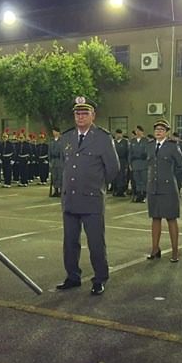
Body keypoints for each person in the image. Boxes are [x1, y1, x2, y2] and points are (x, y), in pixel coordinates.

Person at [56, 97, 120, 296]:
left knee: (95, 242)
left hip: (92, 198)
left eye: (85, 113)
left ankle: (99, 278)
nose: (81, 117)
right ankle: (72, 276)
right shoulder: (67, 137)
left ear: (93, 115)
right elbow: (64, 165)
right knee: (70, 242)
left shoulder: (102, 137)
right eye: (77, 113)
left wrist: (97, 186)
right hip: (70, 199)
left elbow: (113, 168)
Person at [145, 118, 182, 262]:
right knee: (155, 219)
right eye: (156, 130)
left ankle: (175, 252)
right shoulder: (149, 145)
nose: (158, 132)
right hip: (153, 187)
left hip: (168, 188)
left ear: (167, 133)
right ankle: (155, 249)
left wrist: (171, 177)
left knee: (171, 219)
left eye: (162, 130)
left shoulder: (172, 146)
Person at [128, 125, 148, 202]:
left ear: (142, 132)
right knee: (137, 180)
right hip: (135, 164)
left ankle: (144, 195)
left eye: (138, 131)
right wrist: (130, 163)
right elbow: (130, 153)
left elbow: (146, 153)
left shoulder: (145, 141)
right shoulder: (132, 141)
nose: (137, 132)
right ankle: (138, 195)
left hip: (143, 164)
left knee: (144, 180)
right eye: (136, 131)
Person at [112, 129, 129, 197]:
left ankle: (121, 191)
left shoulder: (125, 142)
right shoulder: (113, 142)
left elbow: (128, 152)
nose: (118, 135)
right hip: (115, 161)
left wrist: (127, 162)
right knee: (115, 176)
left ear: (121, 134)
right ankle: (115, 190)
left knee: (122, 176)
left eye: (119, 134)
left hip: (123, 161)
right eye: (116, 134)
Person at [48, 127, 62, 197]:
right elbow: (49, 152)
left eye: (55, 132)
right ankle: (56, 190)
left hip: (59, 160)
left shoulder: (62, 141)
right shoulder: (51, 141)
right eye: (53, 132)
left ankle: (61, 191)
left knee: (60, 176)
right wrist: (49, 160)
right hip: (53, 161)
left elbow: (63, 152)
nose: (54, 133)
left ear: (59, 132)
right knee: (54, 176)